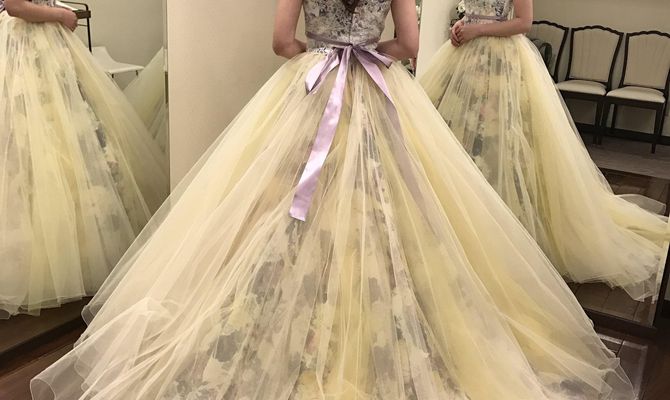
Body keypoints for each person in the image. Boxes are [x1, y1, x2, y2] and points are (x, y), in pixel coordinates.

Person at [31, 0, 634, 398]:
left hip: (311, 86)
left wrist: (316, 54)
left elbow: (279, 41)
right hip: (373, 85)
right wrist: (374, 53)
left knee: (282, 201)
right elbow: (408, 43)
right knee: (389, 198)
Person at [419, 0, 669, 300]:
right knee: (455, 133)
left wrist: (478, 30)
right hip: (465, 60)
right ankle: (459, 210)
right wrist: (462, 26)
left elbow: (524, 22)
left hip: (501, 61)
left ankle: (503, 219)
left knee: (502, 141)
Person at [0, 0, 168, 318]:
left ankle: (74, 251)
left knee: (64, 142)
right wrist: (61, 15)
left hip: (44, 46)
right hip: (28, 49)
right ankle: (46, 260)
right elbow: (15, 6)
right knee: (36, 146)